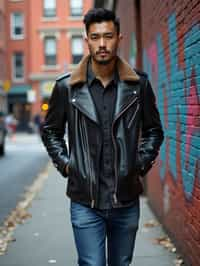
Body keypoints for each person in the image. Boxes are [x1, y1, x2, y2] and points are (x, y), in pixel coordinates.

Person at [41, 8, 164, 266]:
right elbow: (51, 131)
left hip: (126, 200)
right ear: (86, 40)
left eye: (108, 36)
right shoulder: (67, 87)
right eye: (95, 37)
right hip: (85, 201)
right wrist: (67, 164)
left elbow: (154, 130)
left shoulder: (138, 86)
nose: (102, 44)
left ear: (120, 37)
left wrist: (139, 164)